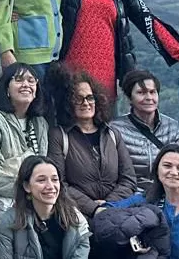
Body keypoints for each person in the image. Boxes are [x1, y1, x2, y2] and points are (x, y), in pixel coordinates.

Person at [47, 72, 137, 219]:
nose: (86, 103)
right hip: (78, 215)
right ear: (67, 102)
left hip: (115, 211)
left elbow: (129, 179)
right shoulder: (58, 136)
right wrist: (93, 208)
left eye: (90, 97)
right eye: (78, 99)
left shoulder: (113, 134)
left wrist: (108, 205)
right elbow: (59, 183)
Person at [0, 61, 50, 213]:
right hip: (2, 205)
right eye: (19, 80)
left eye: (31, 80)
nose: (26, 84)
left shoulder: (40, 123)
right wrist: (29, 189)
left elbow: (44, 168)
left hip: (37, 198)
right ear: (6, 88)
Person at [108, 69, 179, 186]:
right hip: (129, 193)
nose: (149, 97)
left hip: (167, 191)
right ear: (130, 98)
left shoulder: (173, 128)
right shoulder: (115, 129)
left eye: (152, 92)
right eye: (141, 93)